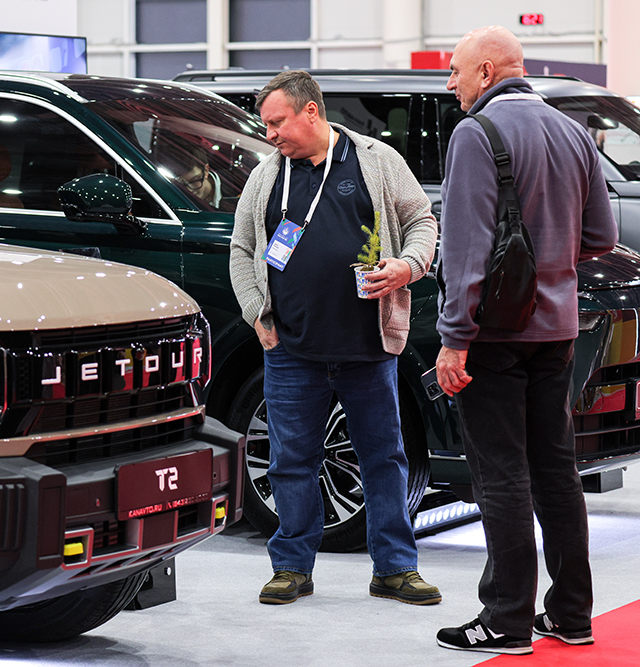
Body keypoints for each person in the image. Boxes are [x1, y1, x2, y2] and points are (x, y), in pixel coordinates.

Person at [434, 26, 618, 655]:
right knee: (556, 471)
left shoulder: (476, 133)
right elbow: (601, 235)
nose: (451, 83)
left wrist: (455, 337)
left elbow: (465, 249)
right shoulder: (572, 131)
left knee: (502, 473)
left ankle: (506, 619)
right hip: (558, 329)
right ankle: (570, 614)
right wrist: (551, 262)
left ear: (487, 72)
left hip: (495, 333)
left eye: (456, 70)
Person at [229, 70, 439, 606]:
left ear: (311, 112)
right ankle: (291, 568)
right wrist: (256, 314)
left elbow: (422, 221)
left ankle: (395, 568)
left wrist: (408, 266)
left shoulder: (376, 160)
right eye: (266, 124)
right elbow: (242, 249)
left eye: (277, 122)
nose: (270, 134)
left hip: (367, 348)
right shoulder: (267, 175)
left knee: (384, 459)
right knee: (290, 461)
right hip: (291, 350)